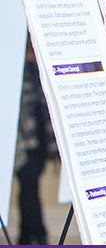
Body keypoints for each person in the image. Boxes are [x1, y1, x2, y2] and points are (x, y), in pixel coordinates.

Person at [14, 35, 58, 245]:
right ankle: (33, 233)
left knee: (30, 185)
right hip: (24, 140)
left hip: (38, 139)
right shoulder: (16, 68)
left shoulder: (37, 67)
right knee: (28, 184)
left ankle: (31, 233)